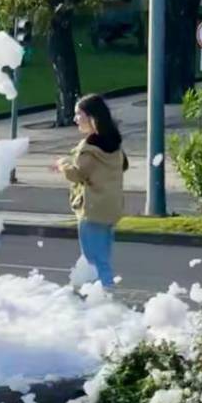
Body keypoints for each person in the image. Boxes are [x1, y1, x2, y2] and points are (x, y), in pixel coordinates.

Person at [51, 93, 128, 289]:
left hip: (92, 209)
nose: (75, 118)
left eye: (79, 114)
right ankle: (103, 293)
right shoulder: (114, 143)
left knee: (93, 259)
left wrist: (62, 164)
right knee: (102, 256)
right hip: (110, 208)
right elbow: (123, 166)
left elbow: (77, 174)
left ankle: (103, 295)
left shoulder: (90, 147)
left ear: (92, 118)